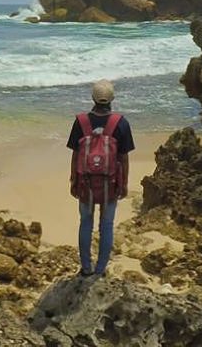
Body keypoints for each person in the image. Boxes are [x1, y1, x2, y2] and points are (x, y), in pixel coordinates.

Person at [67, 79, 134, 277]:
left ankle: (86, 268)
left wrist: (73, 180)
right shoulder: (120, 123)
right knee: (106, 224)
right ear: (112, 99)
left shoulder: (81, 122)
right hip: (110, 183)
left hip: (85, 182)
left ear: (92, 98)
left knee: (85, 222)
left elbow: (75, 154)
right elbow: (123, 157)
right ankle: (100, 269)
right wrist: (124, 183)